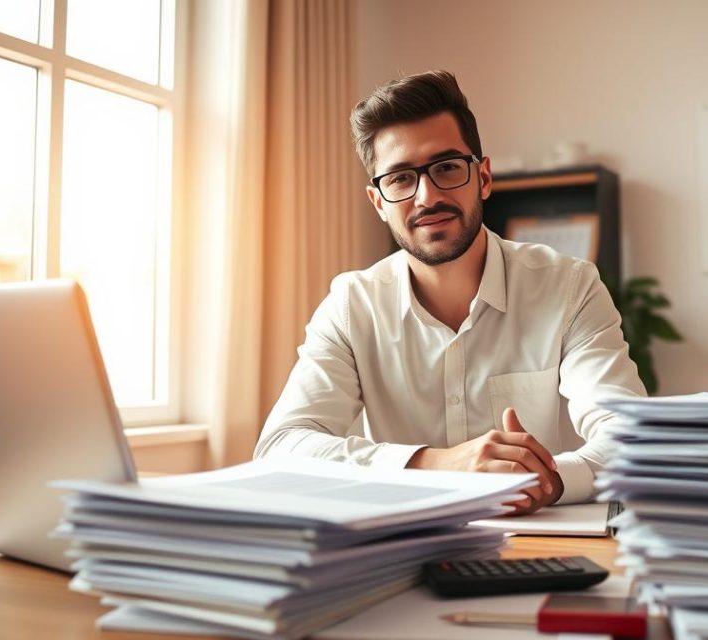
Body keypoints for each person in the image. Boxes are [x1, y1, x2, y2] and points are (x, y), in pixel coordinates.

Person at [254, 70, 646, 514]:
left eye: (445, 168)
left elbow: (630, 439)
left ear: (483, 177)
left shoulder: (569, 287)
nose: (427, 196)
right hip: (398, 551)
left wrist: (551, 480)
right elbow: (281, 448)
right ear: (378, 203)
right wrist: (434, 463)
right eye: (401, 179)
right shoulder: (351, 307)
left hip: (538, 543)